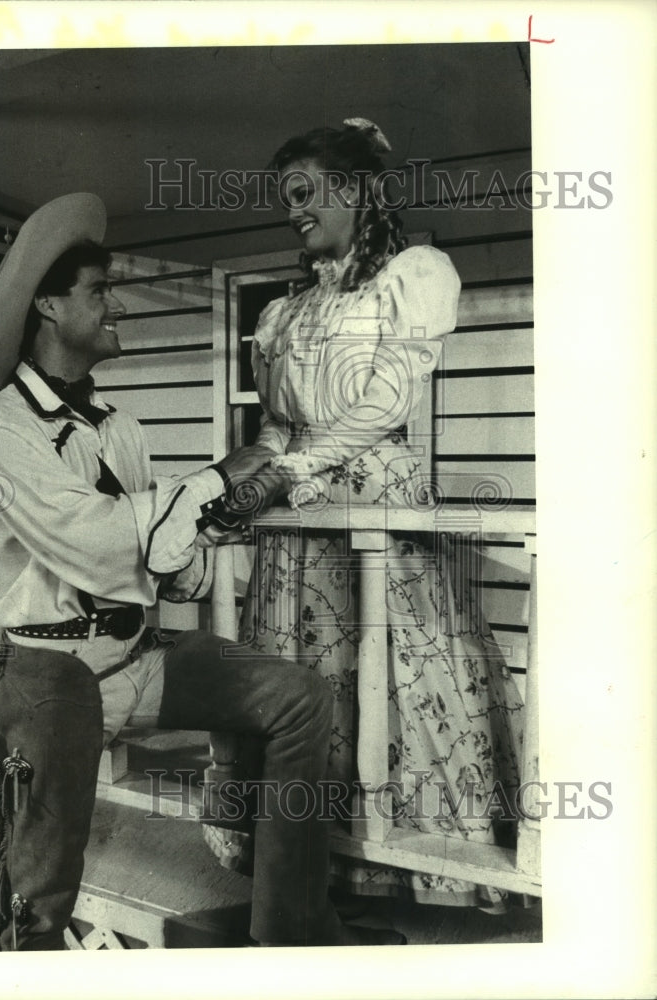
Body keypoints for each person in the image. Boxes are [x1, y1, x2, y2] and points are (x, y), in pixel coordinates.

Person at [0, 192, 402, 950]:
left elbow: (166, 562)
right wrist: (213, 480)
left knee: (298, 697)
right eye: (100, 291)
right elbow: (100, 542)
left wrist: (227, 515)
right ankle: (22, 956)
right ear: (49, 305)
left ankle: (291, 927)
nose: (117, 306)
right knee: (39, 891)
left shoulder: (120, 429)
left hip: (137, 653)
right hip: (49, 669)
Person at [203, 120, 528, 915]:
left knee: (392, 666)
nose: (294, 214)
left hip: (374, 497)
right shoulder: (284, 314)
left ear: (352, 190)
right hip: (297, 515)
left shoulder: (413, 276)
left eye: (306, 194)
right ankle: (316, 854)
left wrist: (293, 468)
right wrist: (261, 472)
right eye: (289, 199)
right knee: (301, 675)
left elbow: (386, 401)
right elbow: (280, 424)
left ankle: (414, 859)